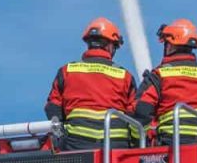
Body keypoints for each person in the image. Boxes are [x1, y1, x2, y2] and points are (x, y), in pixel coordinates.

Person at [44, 17, 138, 150]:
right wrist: (137, 143)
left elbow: (52, 107)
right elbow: (134, 113)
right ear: (110, 46)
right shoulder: (125, 76)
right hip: (115, 146)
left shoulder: (67, 71)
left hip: (76, 144)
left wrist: (60, 133)